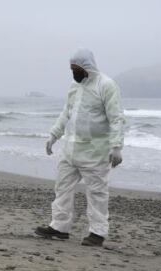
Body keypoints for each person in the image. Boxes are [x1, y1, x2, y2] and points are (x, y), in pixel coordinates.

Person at [35, 49, 125, 247]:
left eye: (76, 69)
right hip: (71, 149)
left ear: (87, 67)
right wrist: (53, 135)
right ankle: (59, 227)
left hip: (95, 151)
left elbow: (116, 118)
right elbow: (66, 113)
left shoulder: (106, 86)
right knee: (62, 188)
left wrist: (116, 146)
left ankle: (97, 233)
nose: (74, 72)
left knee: (97, 193)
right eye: (71, 69)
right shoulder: (74, 87)